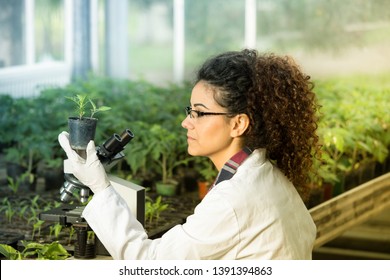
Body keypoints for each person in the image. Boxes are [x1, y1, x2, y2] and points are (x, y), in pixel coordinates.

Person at [58, 49, 320, 260]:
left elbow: (151, 264)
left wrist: (100, 187)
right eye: (189, 110)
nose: (187, 122)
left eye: (200, 113)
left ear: (238, 124)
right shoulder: (267, 175)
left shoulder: (233, 201)